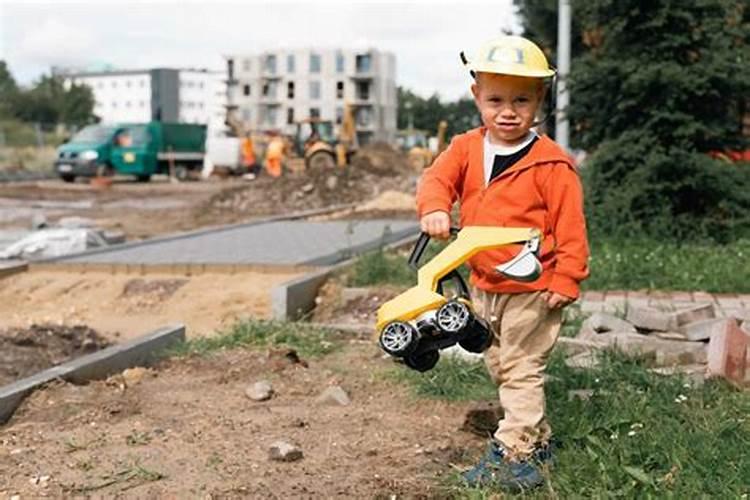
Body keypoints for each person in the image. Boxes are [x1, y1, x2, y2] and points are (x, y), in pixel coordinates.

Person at [416, 35, 589, 491]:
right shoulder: (466, 148)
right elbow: (437, 179)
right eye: (495, 99)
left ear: (539, 100)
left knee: (520, 368)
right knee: (498, 364)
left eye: (521, 100)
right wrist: (435, 207)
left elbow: (570, 227)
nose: (507, 111)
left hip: (534, 285)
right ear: (477, 97)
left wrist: (567, 277)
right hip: (484, 282)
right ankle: (539, 437)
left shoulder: (552, 164)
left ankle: (515, 452)